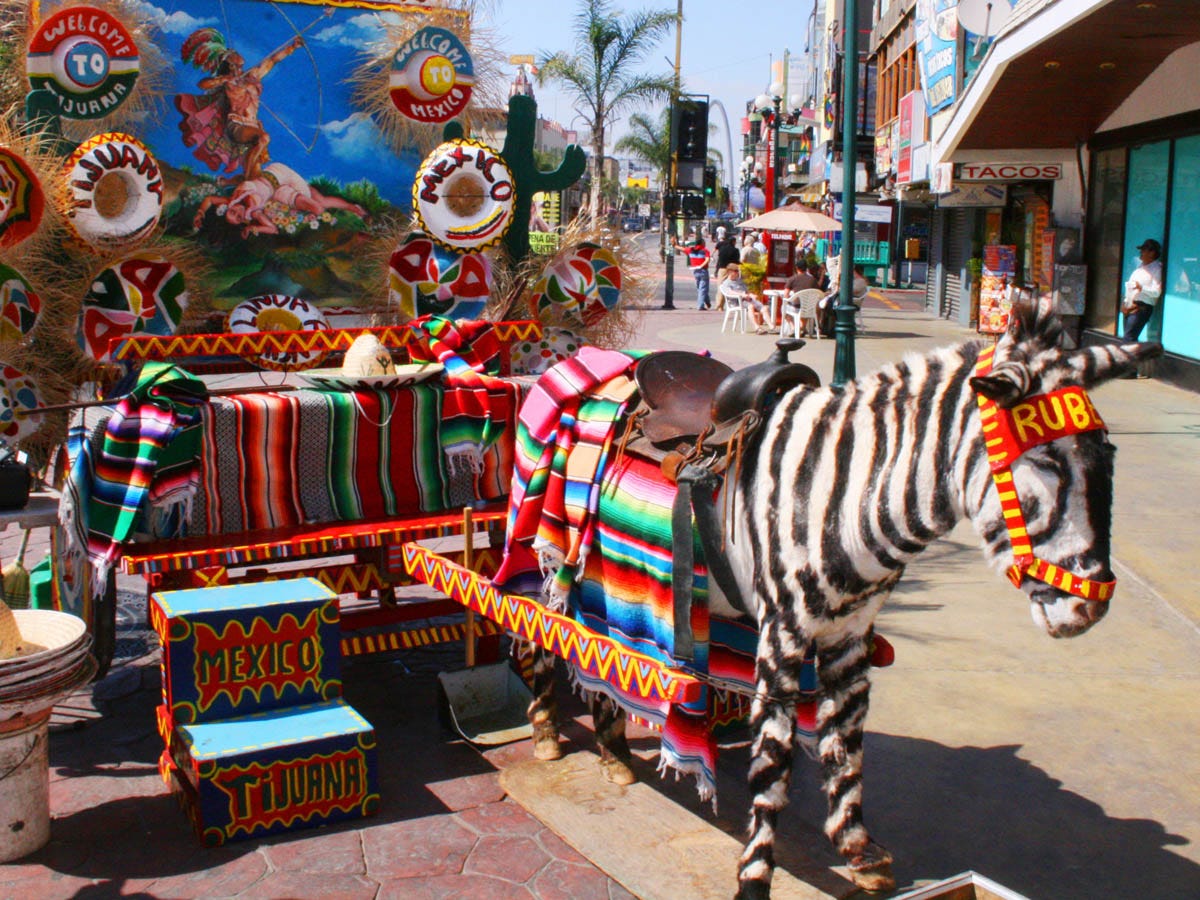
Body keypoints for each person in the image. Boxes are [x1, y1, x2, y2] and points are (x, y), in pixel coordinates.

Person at [176, 28, 307, 180]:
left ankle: (231, 184)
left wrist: (292, 47)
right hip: (237, 125)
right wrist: (222, 80)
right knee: (263, 138)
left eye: (240, 65)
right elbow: (203, 84)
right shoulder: (228, 82)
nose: (239, 69)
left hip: (253, 125)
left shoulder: (252, 76)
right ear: (227, 66)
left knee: (257, 176)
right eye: (234, 66)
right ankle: (246, 178)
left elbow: (272, 60)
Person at [1122, 238, 1162, 342]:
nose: (1141, 253)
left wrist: (1142, 288)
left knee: (1129, 337)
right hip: (1130, 305)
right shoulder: (1140, 267)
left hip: (1142, 307)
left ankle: (1129, 357)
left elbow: (1156, 292)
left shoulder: (1157, 269)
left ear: (1152, 253)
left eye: (1144, 250)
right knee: (1128, 337)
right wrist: (1125, 303)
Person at [720, 263, 770, 333]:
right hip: (737, 302)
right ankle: (757, 328)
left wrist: (751, 295)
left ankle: (772, 327)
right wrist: (741, 295)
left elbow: (746, 291)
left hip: (747, 299)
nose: (738, 273)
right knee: (751, 306)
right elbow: (729, 292)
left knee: (764, 308)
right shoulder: (726, 283)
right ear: (729, 272)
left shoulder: (740, 281)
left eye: (738, 271)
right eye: (736, 271)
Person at [677, 234, 711, 310]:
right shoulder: (705, 251)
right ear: (702, 244)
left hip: (695, 271)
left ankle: (707, 302)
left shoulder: (691, 250)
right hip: (703, 271)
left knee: (700, 288)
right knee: (703, 288)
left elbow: (682, 249)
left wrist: (674, 245)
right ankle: (700, 305)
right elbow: (707, 260)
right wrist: (701, 266)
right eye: (704, 243)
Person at [712, 234, 741, 309]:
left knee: (720, 287)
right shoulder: (735, 250)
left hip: (721, 269)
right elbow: (736, 261)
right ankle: (727, 305)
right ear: (733, 242)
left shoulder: (722, 249)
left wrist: (716, 270)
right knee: (729, 287)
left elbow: (719, 259)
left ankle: (719, 305)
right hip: (731, 270)